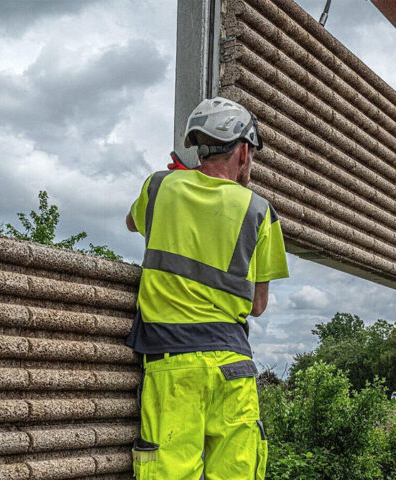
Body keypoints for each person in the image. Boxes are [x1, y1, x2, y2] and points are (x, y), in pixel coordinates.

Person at [124, 97, 289, 480]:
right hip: (233, 364)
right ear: (244, 151)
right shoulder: (260, 211)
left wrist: (182, 183)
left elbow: (133, 224)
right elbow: (258, 305)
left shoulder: (160, 186)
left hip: (172, 363)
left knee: (170, 471)